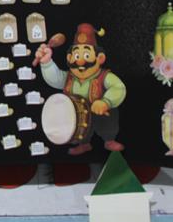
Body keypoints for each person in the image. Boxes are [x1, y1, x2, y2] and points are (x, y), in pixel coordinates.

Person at [34, 23, 126, 155]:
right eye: (77, 56)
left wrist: (106, 102)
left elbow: (118, 87)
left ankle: (109, 140)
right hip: (79, 113)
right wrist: (47, 62)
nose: (80, 62)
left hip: (100, 111)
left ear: (100, 58)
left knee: (107, 123)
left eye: (87, 56)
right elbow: (55, 78)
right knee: (79, 127)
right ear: (69, 58)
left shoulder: (104, 76)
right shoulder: (69, 77)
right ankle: (84, 144)